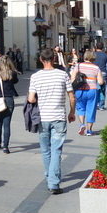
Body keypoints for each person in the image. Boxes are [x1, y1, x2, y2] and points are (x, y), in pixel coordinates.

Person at [28, 48, 76, 195]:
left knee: (45, 150)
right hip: (59, 117)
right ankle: (54, 183)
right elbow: (71, 96)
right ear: (54, 59)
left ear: (41, 60)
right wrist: (72, 112)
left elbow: (31, 99)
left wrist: (39, 99)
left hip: (43, 117)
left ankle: (50, 176)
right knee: (56, 150)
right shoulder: (63, 75)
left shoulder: (35, 77)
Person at [71, 49, 103, 136]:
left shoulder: (78, 66)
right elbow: (100, 82)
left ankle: (82, 124)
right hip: (92, 90)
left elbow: (72, 79)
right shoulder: (96, 68)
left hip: (80, 90)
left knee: (80, 108)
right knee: (91, 109)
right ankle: (89, 130)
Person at [94, 43, 107, 110]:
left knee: (95, 89)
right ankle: (101, 105)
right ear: (103, 48)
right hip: (103, 73)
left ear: (96, 47)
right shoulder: (105, 55)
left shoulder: (94, 54)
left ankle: (95, 105)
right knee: (102, 90)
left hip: (94, 73)